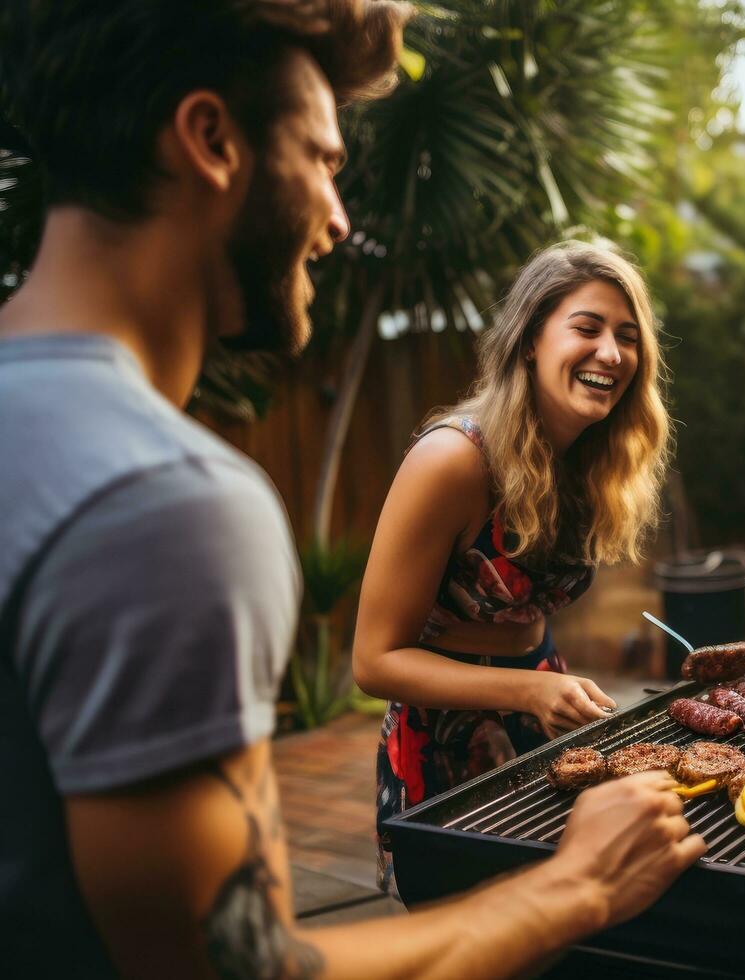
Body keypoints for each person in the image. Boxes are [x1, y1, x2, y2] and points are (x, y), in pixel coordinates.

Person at [0, 3, 702, 976]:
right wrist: (575, 884)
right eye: (326, 162)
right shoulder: (163, 503)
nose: (338, 221)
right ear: (211, 140)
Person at [353, 240, 670, 893]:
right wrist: (527, 690)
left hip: (541, 719)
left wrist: (544, 690)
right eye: (587, 328)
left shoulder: (588, 461)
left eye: (627, 337)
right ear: (530, 340)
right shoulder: (452, 461)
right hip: (445, 744)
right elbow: (373, 661)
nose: (611, 352)